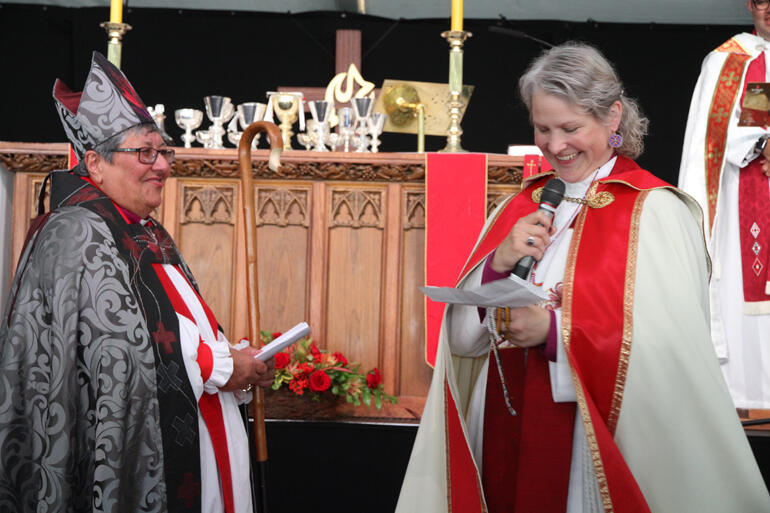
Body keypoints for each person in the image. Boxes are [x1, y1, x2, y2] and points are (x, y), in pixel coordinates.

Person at [396, 42, 770, 513]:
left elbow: (670, 353)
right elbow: (463, 344)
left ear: (613, 118)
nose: (554, 146)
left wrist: (552, 333)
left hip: (586, 440)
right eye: (542, 128)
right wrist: (498, 263)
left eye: (571, 128)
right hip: (502, 423)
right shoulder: (517, 206)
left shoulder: (654, 211)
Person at [0, 51, 274, 513]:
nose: (163, 166)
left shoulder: (144, 230)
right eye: (145, 152)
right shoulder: (75, 231)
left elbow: (173, 325)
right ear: (95, 161)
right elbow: (116, 354)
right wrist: (221, 366)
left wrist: (230, 355)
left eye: (163, 151)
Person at [678, 0, 770, 409]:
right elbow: (723, 136)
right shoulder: (732, 61)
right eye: (764, 0)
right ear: (750, 5)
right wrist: (765, 142)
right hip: (747, 197)